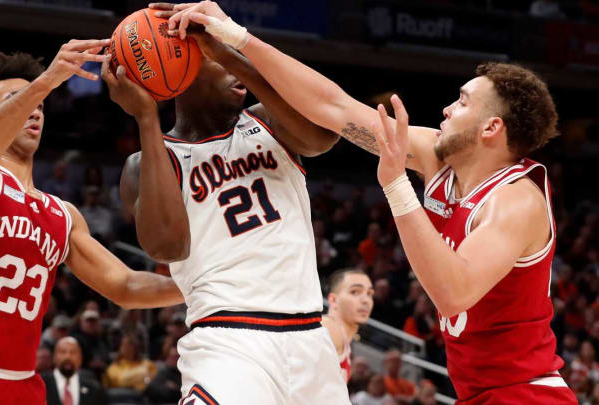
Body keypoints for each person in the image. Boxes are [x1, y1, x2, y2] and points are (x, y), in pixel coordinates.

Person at [168, 2, 577, 403]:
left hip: (526, 393)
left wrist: (397, 185)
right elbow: (334, 107)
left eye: (463, 102)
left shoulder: (516, 201)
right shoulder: (436, 155)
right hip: (479, 391)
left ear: (491, 127)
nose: (447, 109)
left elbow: (453, 293)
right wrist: (235, 38)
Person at [0, 42, 183, 404]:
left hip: (24, 387)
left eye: (39, 104)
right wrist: (46, 80)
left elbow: (126, 286)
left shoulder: (63, 214)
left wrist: (201, 285)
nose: (34, 109)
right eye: (19, 100)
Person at [104, 4, 349, 403]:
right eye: (216, 59)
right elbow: (167, 247)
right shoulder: (149, 161)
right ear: (181, 68)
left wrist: (227, 52)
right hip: (228, 342)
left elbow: (324, 137)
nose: (234, 68)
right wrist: (146, 118)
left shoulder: (268, 120)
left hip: (310, 338)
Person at [322, 268, 374, 383]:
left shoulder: (343, 338)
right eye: (355, 292)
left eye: (369, 293)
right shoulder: (330, 327)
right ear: (334, 300)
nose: (366, 300)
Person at [42, 336, 104, 405]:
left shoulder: (94, 388)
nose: (68, 356)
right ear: (54, 357)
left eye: (73, 352)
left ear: (80, 358)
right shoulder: (41, 385)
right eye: (63, 352)